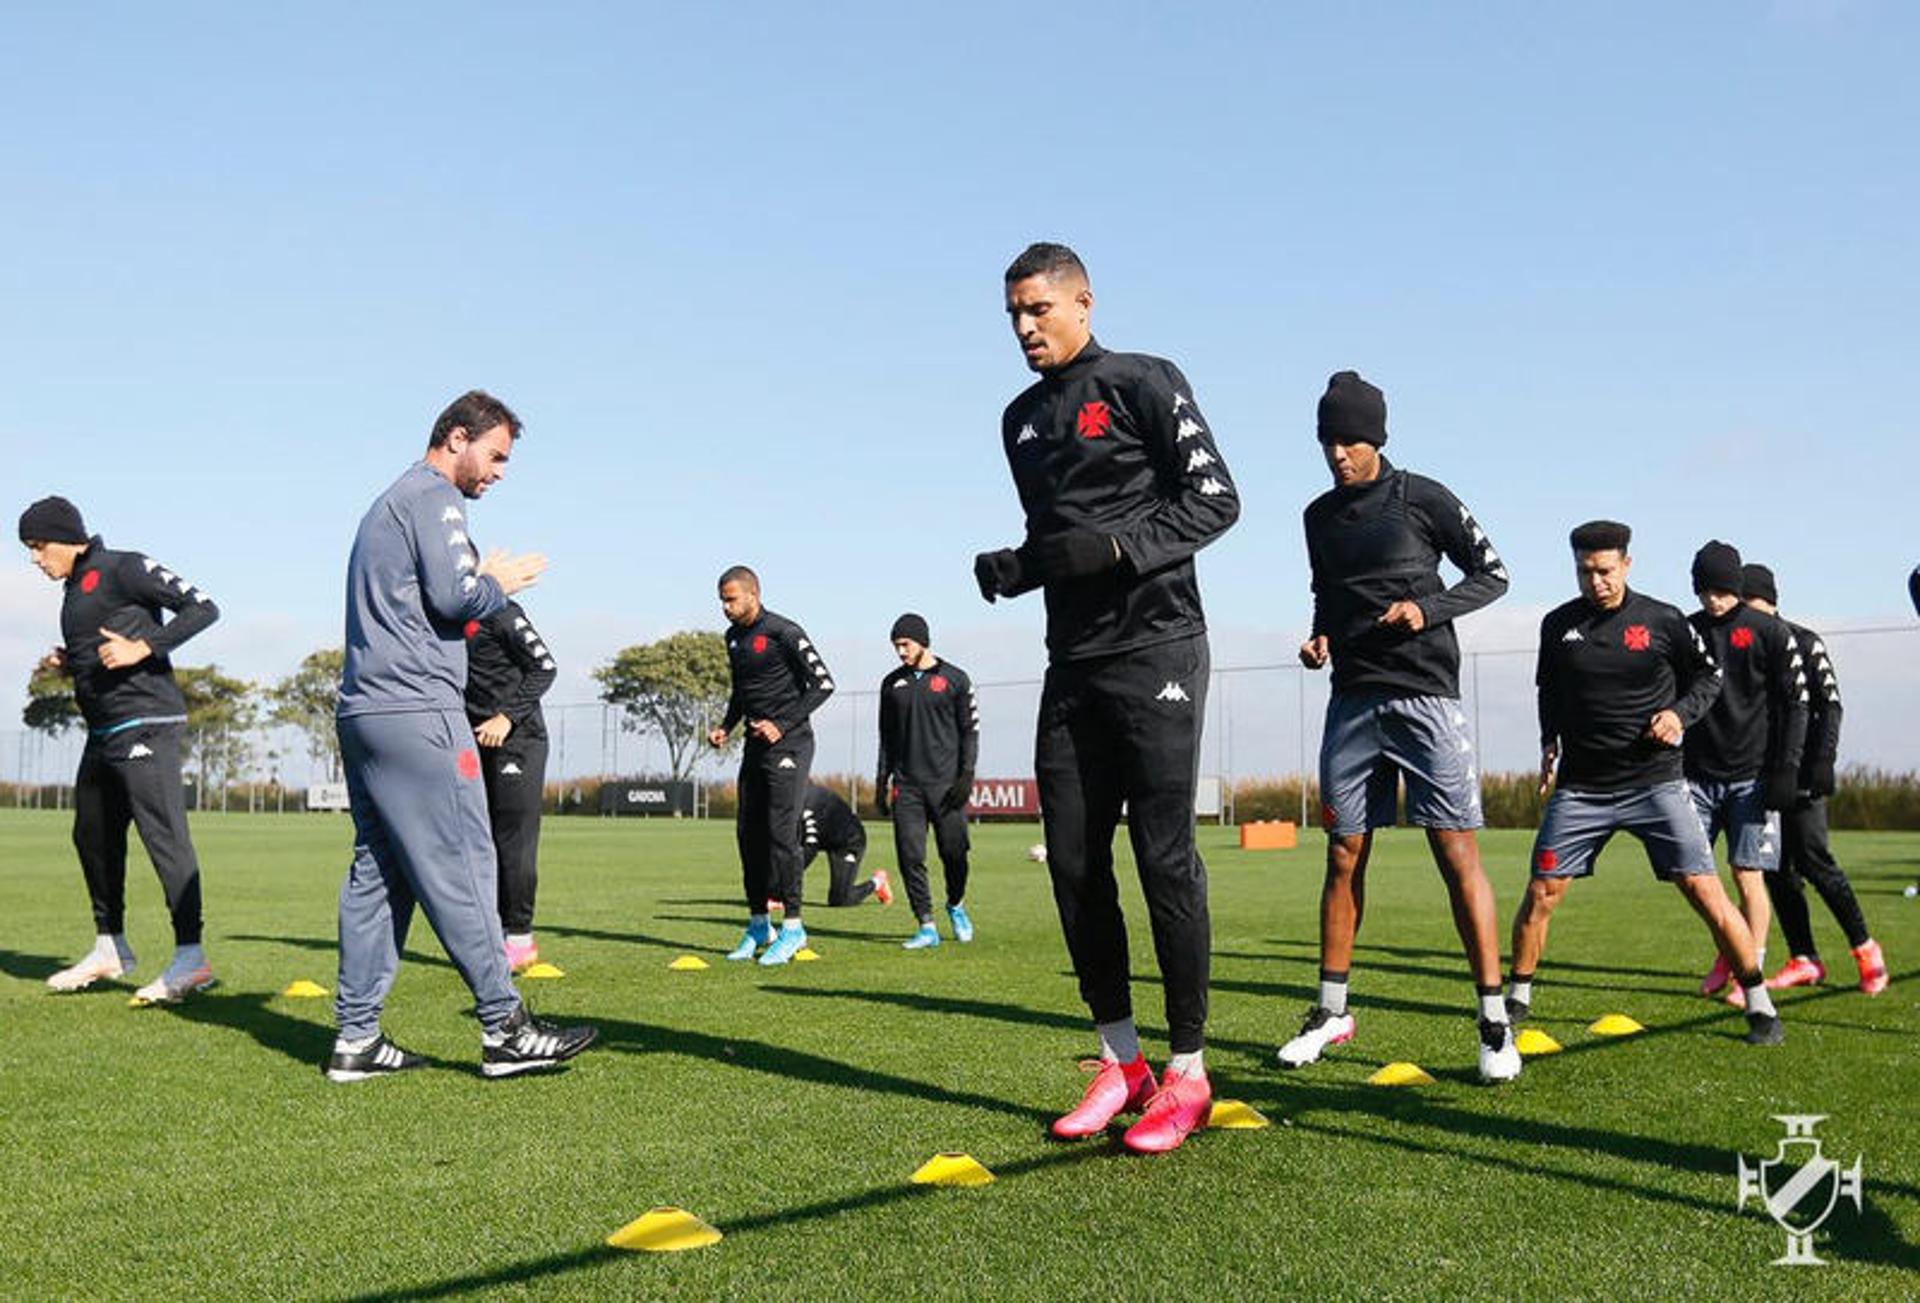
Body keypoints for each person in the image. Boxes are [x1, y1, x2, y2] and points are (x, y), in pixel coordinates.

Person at [974, 242, 1238, 1153]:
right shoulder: (1017, 421)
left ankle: (1190, 1072)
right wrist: (1019, 567)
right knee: (1076, 863)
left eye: (1037, 309)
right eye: (1012, 313)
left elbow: (1216, 502)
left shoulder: (1141, 380)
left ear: (1082, 301)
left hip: (1159, 646)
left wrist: (1117, 550)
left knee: (1165, 859)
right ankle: (1121, 1061)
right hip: (1072, 663)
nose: (1023, 327)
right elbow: (1056, 538)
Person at [328, 390, 596, 1083]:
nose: (500, 471)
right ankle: (505, 1028)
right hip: (419, 708)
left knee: (380, 873)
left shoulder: (385, 502)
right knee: (467, 863)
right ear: (456, 437)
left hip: (365, 710)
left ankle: (356, 1037)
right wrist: (496, 581)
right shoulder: (434, 495)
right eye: (497, 454)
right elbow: (455, 596)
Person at [1279, 370, 1520, 1083]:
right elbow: (1327, 592)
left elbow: (1494, 573)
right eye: (1328, 440)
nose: (1337, 454)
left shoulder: (1423, 497)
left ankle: (1493, 1019)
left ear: (1376, 438)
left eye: (1349, 439)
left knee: (1454, 851)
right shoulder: (1317, 517)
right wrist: (1320, 636)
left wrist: (1427, 609)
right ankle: (1331, 1012)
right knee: (1345, 854)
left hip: (1425, 698)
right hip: (1352, 699)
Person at [1506, 522, 1782, 1044]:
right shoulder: (1557, 625)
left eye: (1605, 571)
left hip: (1655, 784)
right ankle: (1517, 997)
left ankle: (1759, 1003)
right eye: (1585, 571)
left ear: (1626, 565)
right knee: (1542, 892)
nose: (1597, 582)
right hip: (1581, 788)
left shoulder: (1664, 621)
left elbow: (1709, 678)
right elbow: (1548, 689)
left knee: (1705, 890)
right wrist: (1549, 741)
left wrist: (1679, 715)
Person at [20, 496, 220, 1003]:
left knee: (164, 839)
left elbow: (203, 606)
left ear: (65, 537)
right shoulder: (74, 590)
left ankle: (191, 957)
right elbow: (105, 644)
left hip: (147, 724)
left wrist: (146, 646)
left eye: (39, 546)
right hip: (104, 731)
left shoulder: (124, 567)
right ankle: (110, 946)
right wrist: (71, 662)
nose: (35, 558)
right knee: (91, 833)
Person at [1740, 564, 1888, 995]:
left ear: (1767, 602)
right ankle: (1804, 957)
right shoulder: (1747, 647)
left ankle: (1865, 949)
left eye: (1750, 607)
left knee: (1814, 860)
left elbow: (1831, 706)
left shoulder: (1805, 641)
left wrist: (1823, 761)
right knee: (1777, 870)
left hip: (1803, 775)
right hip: (1763, 776)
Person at [1683, 540, 1807, 1006]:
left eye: (1720, 589)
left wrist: (1787, 769)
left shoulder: (1767, 632)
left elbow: (1797, 703)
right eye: (1703, 590)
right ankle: (1729, 951)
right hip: (1695, 776)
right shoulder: (1687, 630)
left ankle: (1747, 970)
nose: (1712, 599)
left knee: (1746, 872)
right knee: (1694, 874)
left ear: (1734, 586)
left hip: (1752, 776)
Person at [707, 566, 835, 967]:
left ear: (753, 595)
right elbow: (742, 692)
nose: (726, 608)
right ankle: (760, 923)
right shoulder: (733, 638)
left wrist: (782, 725)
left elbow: (824, 684)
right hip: (754, 749)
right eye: (722, 601)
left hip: (791, 745)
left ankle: (794, 927)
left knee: (783, 835)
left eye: (731, 599)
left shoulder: (784, 632)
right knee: (749, 834)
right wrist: (727, 726)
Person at [463, 597, 557, 974]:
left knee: (512, 840)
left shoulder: (500, 611)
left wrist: (506, 717)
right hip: (472, 741)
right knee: (476, 840)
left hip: (518, 740)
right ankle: (491, 934)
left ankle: (519, 937)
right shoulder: (443, 614)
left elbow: (545, 667)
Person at [875, 612, 979, 949]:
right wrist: (881, 781)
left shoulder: (956, 679)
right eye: (896, 646)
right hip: (907, 786)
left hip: (947, 786)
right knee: (910, 856)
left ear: (922, 640)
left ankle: (956, 904)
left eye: (905, 644)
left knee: (955, 853)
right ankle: (926, 924)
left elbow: (970, 732)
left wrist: (966, 776)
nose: (901, 652)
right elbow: (885, 737)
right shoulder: (892, 684)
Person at [799, 783, 892, 908]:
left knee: (840, 900)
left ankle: (878, 882)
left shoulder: (809, 803)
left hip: (847, 841)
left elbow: (809, 850)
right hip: (824, 835)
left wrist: (783, 887)